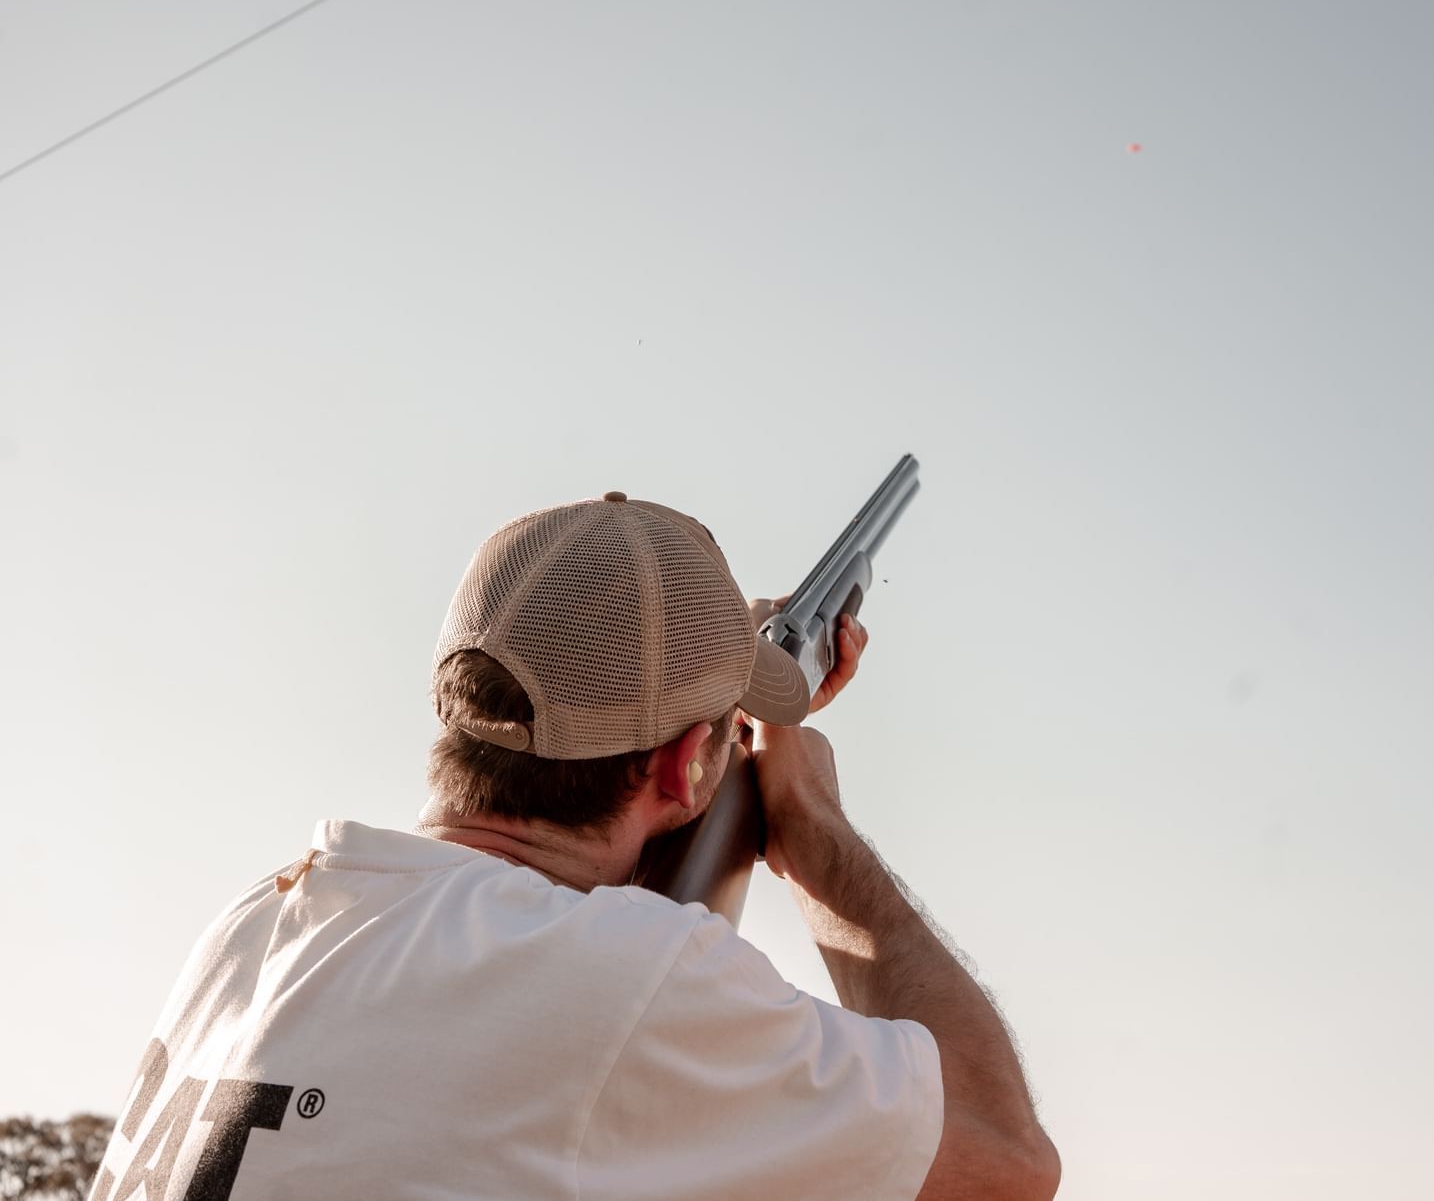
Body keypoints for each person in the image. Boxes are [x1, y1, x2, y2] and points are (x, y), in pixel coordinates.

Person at [88, 491, 1060, 1200]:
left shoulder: (256, 921)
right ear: (685, 770)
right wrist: (814, 832)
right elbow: (1004, 1159)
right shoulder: (624, 977)